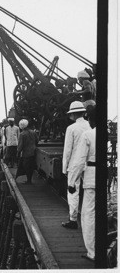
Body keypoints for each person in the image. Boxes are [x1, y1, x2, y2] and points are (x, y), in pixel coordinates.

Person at [68, 105, 96, 262]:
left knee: (88, 215)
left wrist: (72, 182)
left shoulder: (88, 135)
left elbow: (79, 162)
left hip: (91, 178)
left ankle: (92, 252)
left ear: (90, 118)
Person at [61, 101, 91, 229]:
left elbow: (67, 150)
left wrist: (64, 168)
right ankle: (88, 221)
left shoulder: (71, 128)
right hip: (89, 164)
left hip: (75, 164)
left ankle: (73, 220)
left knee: (73, 191)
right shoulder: (90, 126)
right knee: (89, 192)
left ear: (73, 114)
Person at [16, 119, 38, 184]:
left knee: (27, 167)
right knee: (31, 166)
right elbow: (37, 141)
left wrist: (18, 153)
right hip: (33, 152)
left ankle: (29, 181)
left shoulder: (22, 134)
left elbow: (20, 146)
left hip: (26, 153)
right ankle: (29, 180)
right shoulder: (33, 132)